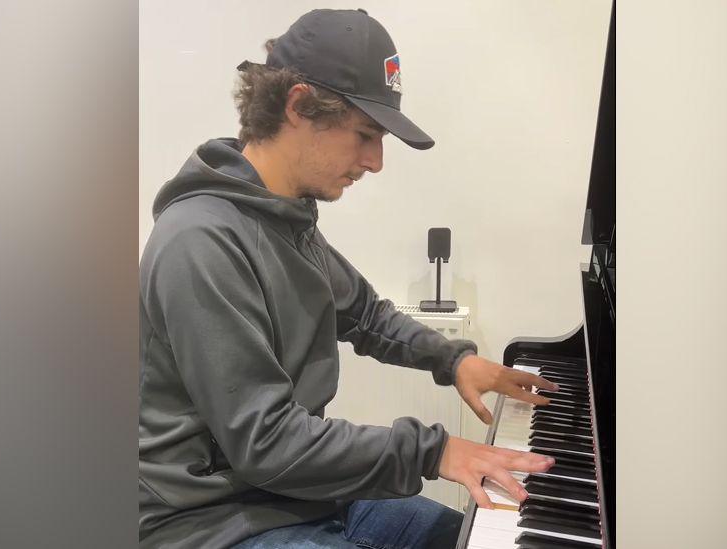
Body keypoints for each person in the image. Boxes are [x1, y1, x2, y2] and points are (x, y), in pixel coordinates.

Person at [139, 9, 559, 548]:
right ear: (296, 105)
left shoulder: (285, 216)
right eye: (365, 134)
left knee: (471, 539)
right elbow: (266, 442)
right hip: (212, 520)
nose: (376, 161)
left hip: (296, 496)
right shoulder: (200, 241)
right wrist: (434, 452)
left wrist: (453, 360)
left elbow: (364, 313)